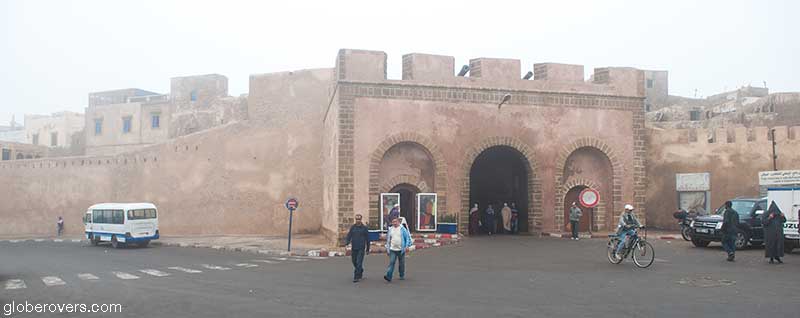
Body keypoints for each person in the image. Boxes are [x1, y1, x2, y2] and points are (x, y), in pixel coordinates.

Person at [384, 218, 412, 282]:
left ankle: (401, 275)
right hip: (392, 249)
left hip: (401, 250)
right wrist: (388, 249)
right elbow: (388, 240)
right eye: (393, 222)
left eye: (395, 221)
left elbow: (407, 238)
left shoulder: (402, 229)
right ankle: (388, 276)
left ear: (398, 222)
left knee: (401, 264)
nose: (394, 223)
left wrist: (407, 246)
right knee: (391, 263)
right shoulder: (390, 229)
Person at [344, 214, 371, 282]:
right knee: (354, 261)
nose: (357, 220)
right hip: (354, 247)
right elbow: (349, 235)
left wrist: (367, 249)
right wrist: (347, 242)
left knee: (359, 262)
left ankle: (356, 276)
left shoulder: (364, 228)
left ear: (361, 220)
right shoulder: (353, 227)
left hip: (361, 248)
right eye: (356, 219)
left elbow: (368, 239)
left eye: (359, 219)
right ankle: (360, 270)